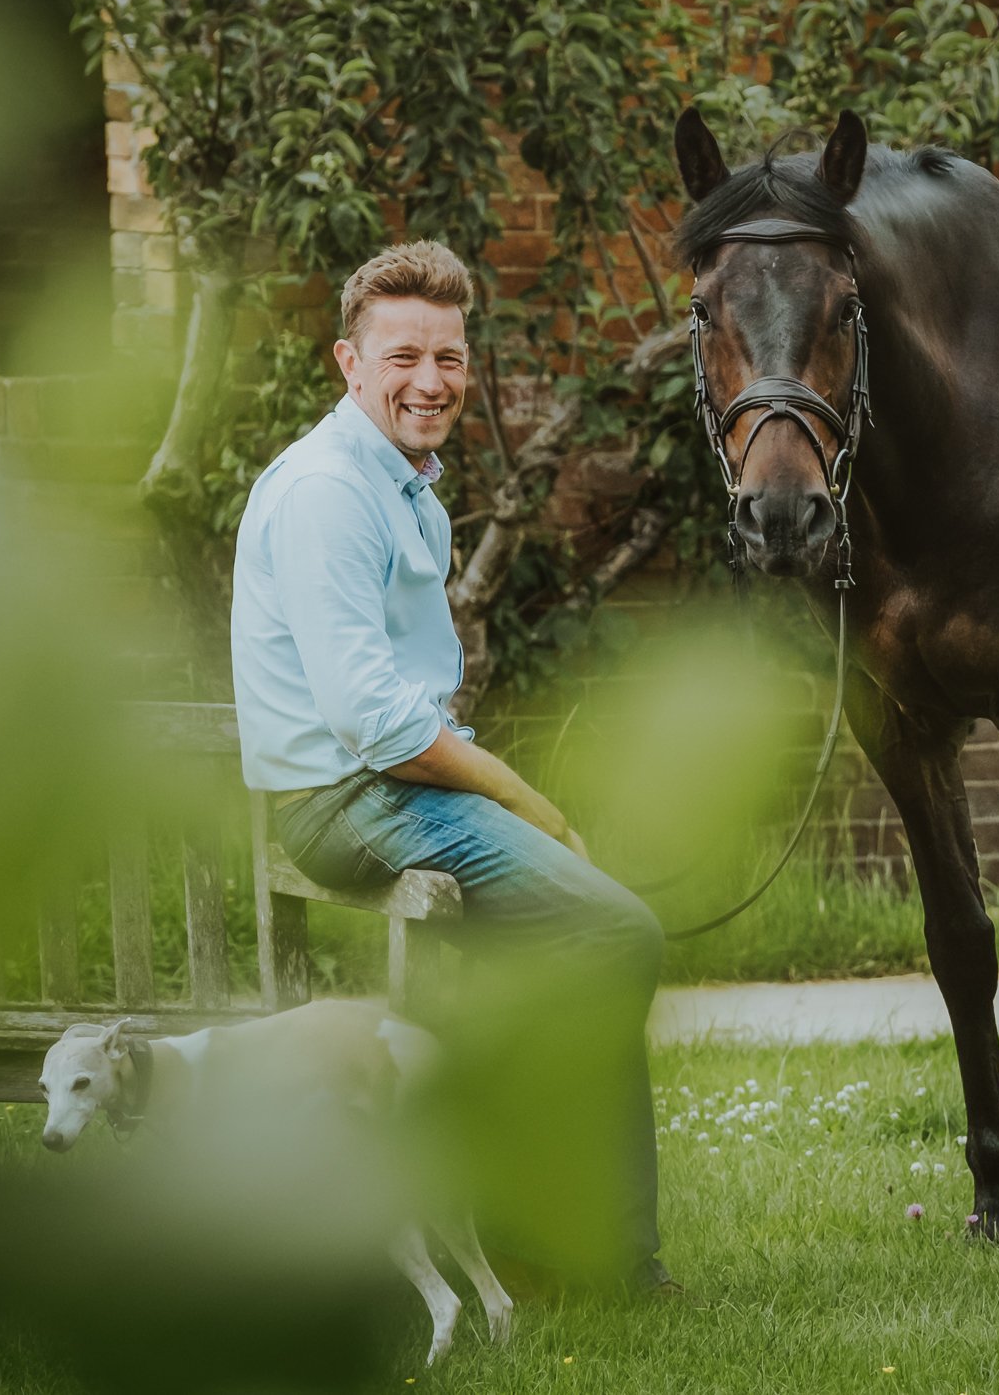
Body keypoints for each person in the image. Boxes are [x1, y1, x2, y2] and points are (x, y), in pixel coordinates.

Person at [229, 239, 673, 1295]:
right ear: (349, 362)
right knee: (615, 934)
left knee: (580, 945)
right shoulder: (330, 491)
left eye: (449, 358)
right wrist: (526, 799)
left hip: (383, 784)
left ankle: (559, 1235)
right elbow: (373, 721)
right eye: (403, 357)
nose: (430, 381)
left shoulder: (397, 483)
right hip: (349, 798)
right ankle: (564, 1242)